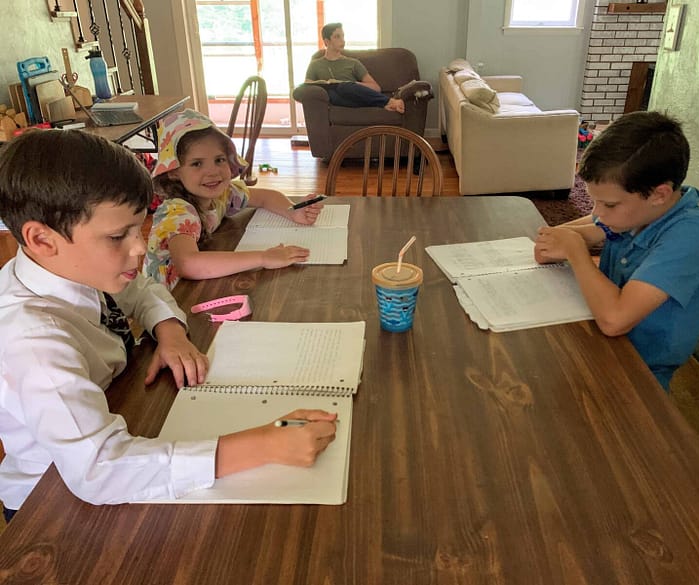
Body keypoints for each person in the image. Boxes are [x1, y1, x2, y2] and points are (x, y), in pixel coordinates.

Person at [0, 130, 337, 522]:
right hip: (51, 506)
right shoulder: (33, 340)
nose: (141, 247)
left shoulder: (71, 267)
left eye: (137, 229)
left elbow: (142, 290)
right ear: (42, 239)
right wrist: (264, 445)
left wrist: (170, 331)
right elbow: (99, 470)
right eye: (117, 236)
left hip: (118, 411)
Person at [534, 111, 699, 391]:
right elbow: (572, 235)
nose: (597, 212)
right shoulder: (637, 213)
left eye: (608, 205)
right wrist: (563, 240)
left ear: (659, 194)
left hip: (640, 373)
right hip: (598, 343)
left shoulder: (694, 232)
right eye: (593, 201)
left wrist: (574, 250)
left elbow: (614, 320)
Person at [144, 109, 323, 290]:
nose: (213, 172)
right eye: (197, 163)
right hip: (166, 304)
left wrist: (293, 211)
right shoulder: (176, 211)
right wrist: (263, 257)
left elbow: (264, 197)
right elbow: (188, 264)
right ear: (174, 171)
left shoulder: (224, 194)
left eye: (219, 160)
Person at [304, 22, 406, 113]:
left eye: (343, 36)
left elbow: (376, 88)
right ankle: (384, 103)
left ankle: (388, 101)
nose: (342, 40)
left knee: (343, 86)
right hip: (336, 100)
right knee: (331, 93)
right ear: (326, 41)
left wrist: (354, 84)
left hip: (354, 96)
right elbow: (306, 88)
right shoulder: (315, 64)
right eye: (337, 37)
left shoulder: (353, 63)